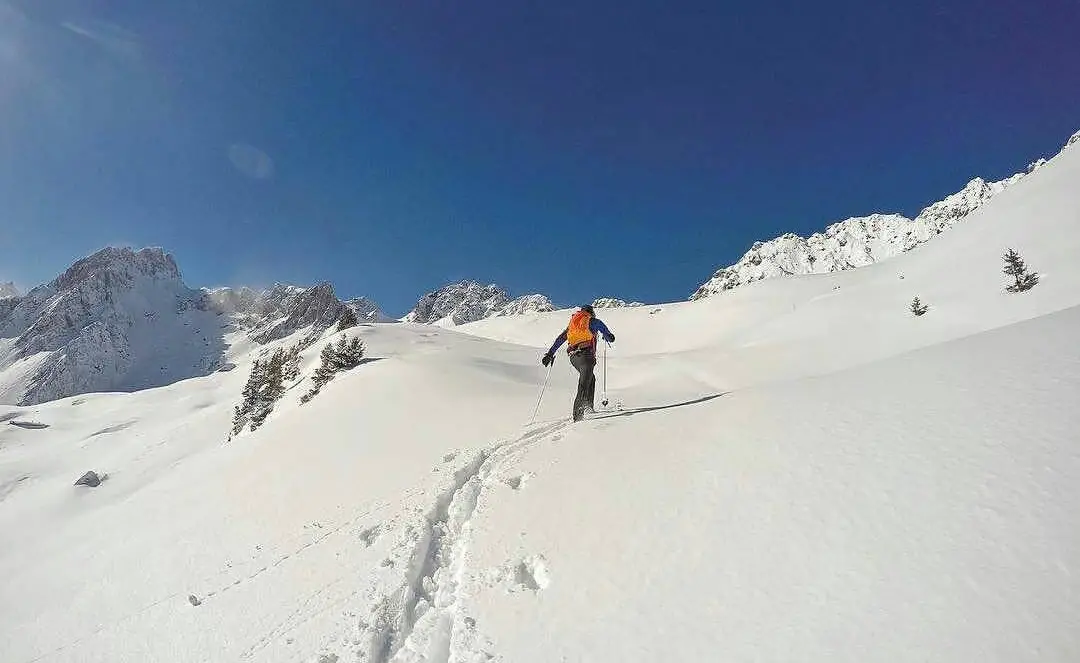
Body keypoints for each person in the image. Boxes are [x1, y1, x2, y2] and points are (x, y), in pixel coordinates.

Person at [541, 304, 615, 421]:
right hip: (586, 356)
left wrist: (549, 354)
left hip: (573, 358)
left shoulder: (573, 325)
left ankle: (588, 408)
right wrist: (609, 336)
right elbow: (607, 334)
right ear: (591, 312)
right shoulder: (592, 321)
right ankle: (578, 416)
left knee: (590, 379)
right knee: (584, 383)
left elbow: (560, 339)